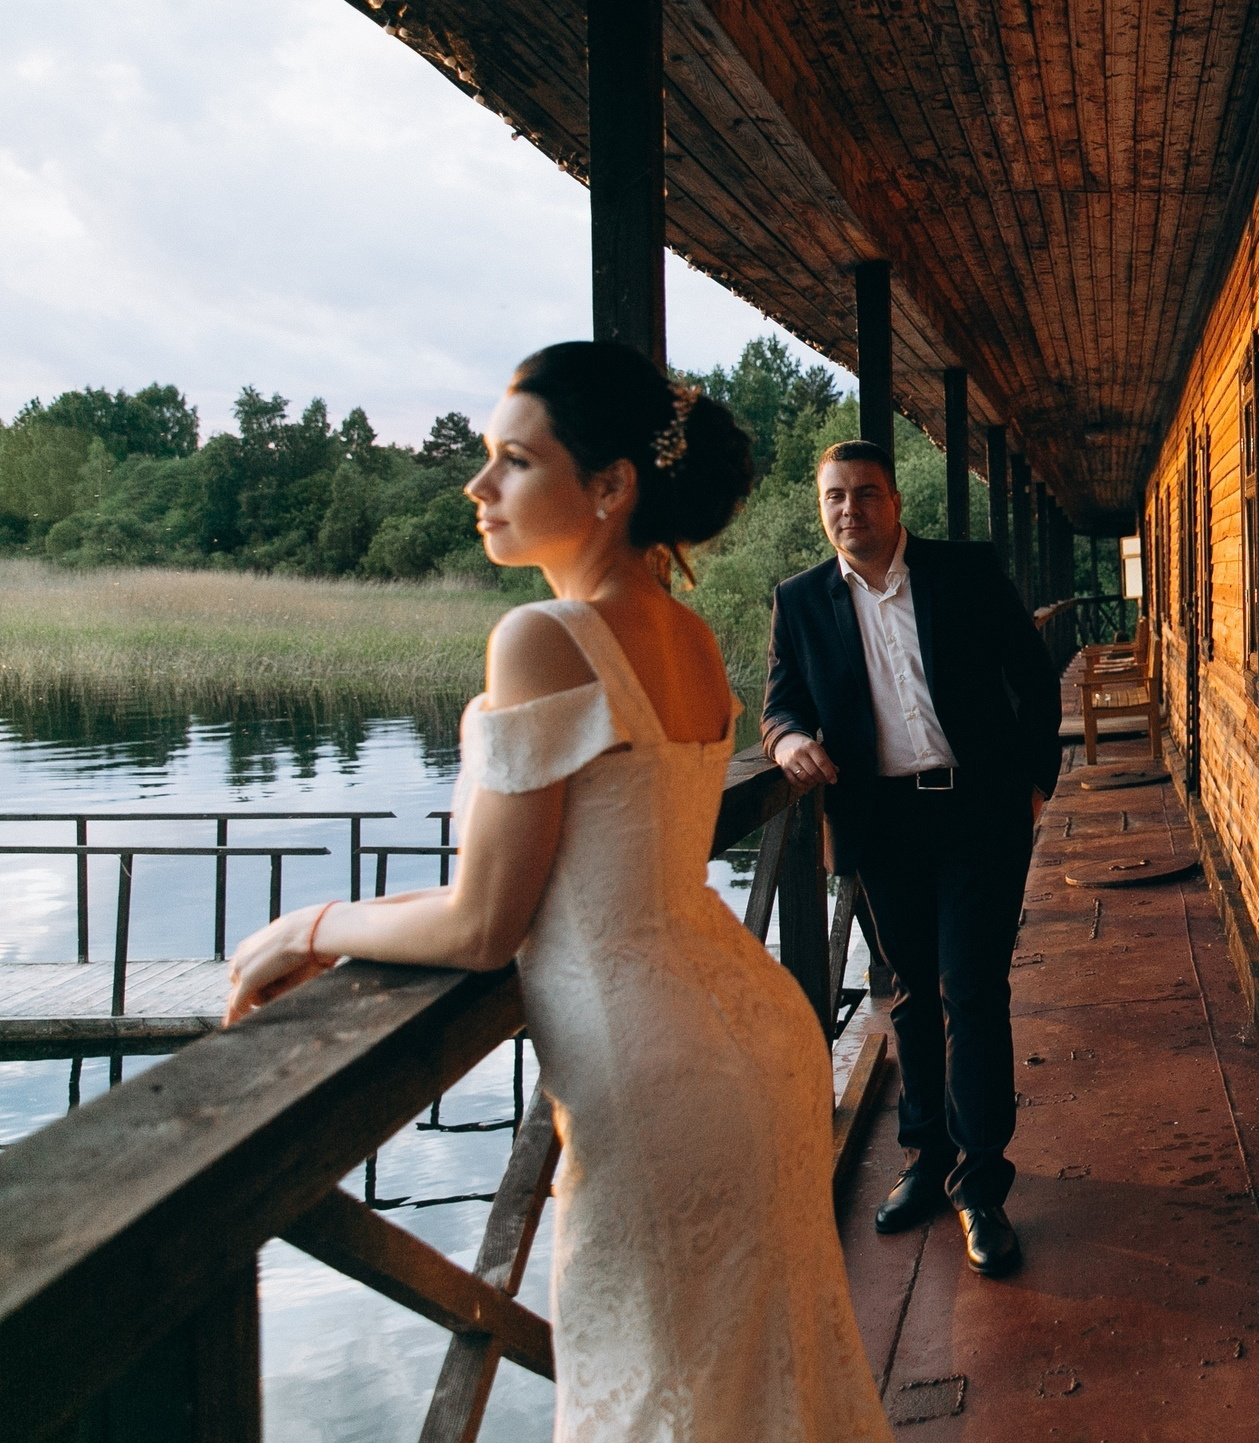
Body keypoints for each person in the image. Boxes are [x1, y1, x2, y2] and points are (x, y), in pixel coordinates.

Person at [225, 342, 895, 1441]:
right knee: (767, 1378)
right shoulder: (685, 634)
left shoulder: (542, 637)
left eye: (514, 460)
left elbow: (484, 921)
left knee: (661, 1395)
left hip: (652, 1074)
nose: (477, 484)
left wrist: (310, 927)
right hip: (754, 1031)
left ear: (610, 486)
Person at [760, 440, 1059, 1277]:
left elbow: (1033, 676)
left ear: (894, 503)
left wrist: (1036, 782)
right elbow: (780, 702)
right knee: (910, 995)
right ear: (821, 507)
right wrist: (785, 742)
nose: (848, 508)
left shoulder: (963, 571)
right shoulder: (800, 600)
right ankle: (927, 1158)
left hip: (977, 811)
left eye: (864, 493)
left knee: (972, 988)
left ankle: (981, 1185)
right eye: (834, 496)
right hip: (881, 820)